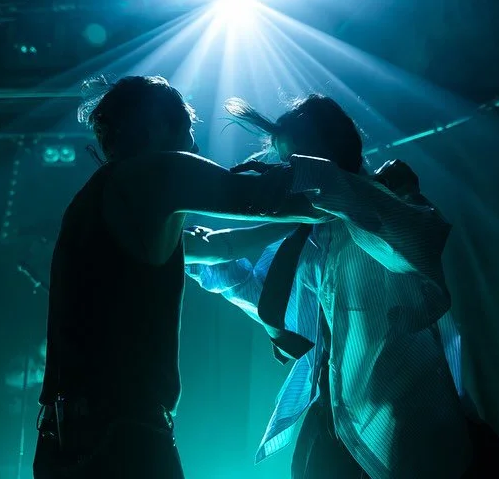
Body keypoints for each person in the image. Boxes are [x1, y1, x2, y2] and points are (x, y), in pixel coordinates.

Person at [184, 95, 499, 478]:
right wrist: (200, 258)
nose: (285, 171)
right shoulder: (308, 240)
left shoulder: (394, 204)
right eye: (284, 162)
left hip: (408, 431)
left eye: (294, 160)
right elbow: (275, 305)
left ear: (329, 152)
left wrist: (302, 182)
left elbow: (418, 240)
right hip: (335, 433)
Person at [32, 75, 330, 479]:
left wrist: (298, 224)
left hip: (65, 437)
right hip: (121, 436)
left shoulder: (104, 199)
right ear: (158, 126)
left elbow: (218, 245)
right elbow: (261, 198)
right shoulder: (156, 171)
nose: (195, 149)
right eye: (189, 133)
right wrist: (358, 189)